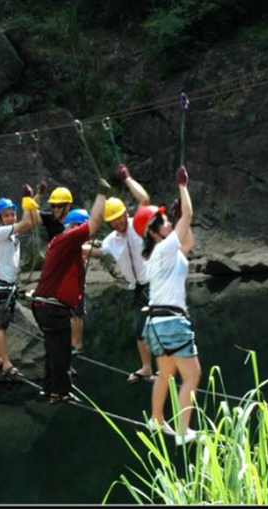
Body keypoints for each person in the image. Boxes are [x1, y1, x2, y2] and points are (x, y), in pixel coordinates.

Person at [31, 179, 110, 403]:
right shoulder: (69, 238)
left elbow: (95, 250)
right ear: (76, 226)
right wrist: (102, 194)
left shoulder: (61, 241)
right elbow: (94, 223)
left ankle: (49, 389)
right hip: (52, 306)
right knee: (62, 351)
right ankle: (61, 392)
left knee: (52, 348)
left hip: (44, 305)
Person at [139, 166, 200, 446]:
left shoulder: (159, 254)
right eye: (163, 222)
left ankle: (156, 418)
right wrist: (183, 187)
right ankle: (182, 431)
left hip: (155, 324)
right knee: (192, 375)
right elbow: (189, 216)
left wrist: (176, 220)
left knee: (166, 372)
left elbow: (188, 242)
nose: (168, 225)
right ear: (153, 233)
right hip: (172, 323)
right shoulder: (164, 249)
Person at [85, 163, 155, 383]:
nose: (116, 222)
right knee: (139, 329)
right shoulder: (111, 240)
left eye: (119, 217)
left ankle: (166, 369)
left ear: (126, 213)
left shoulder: (138, 226)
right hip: (136, 287)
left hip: (154, 281)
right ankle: (146, 368)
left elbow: (145, 200)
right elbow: (97, 252)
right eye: (112, 220)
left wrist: (127, 178)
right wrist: (75, 245)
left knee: (160, 325)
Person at [0, 185, 39, 377]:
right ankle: (6, 364)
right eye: (6, 215)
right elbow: (26, 223)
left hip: (5, 287)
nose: (10, 218)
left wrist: (34, 197)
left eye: (12, 214)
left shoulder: (12, 234)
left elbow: (31, 220)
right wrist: (27, 199)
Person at [38, 185, 86, 355]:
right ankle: (66, 344)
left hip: (73, 268)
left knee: (77, 308)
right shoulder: (50, 220)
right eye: (53, 206)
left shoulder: (76, 219)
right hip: (57, 270)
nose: (55, 209)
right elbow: (30, 216)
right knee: (61, 307)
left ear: (67, 206)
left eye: (59, 206)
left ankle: (77, 345)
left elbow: (88, 233)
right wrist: (37, 195)